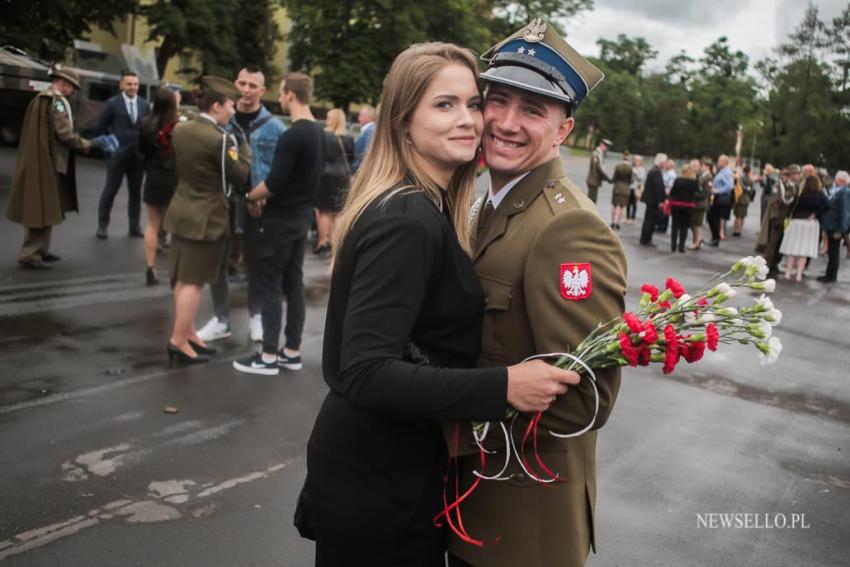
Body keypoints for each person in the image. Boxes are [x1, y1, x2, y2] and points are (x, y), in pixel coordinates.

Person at [299, 42, 580, 566]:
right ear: (403, 121)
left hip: (386, 465)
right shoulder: (406, 219)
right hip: (379, 477)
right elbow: (363, 371)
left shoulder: (416, 203)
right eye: (444, 105)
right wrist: (505, 387)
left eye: (473, 103)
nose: (470, 120)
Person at [447, 19, 627, 567]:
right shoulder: (488, 200)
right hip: (475, 504)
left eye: (532, 110)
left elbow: (583, 398)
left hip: (523, 526)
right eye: (496, 101)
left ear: (564, 130)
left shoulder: (567, 229)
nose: (505, 122)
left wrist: (444, 413)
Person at [232, 72, 326, 375]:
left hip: (280, 220)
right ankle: (291, 351)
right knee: (293, 284)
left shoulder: (293, 134)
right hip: (300, 219)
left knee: (270, 285)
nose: (280, 98)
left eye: (282, 93)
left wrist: (249, 195)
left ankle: (268, 355)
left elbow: (273, 182)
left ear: (289, 95)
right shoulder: (319, 133)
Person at [163, 76, 251, 364]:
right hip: (206, 216)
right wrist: (244, 149)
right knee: (193, 282)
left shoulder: (182, 129)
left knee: (183, 278)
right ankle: (178, 340)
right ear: (216, 106)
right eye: (230, 106)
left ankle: (187, 333)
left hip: (182, 211)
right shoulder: (221, 138)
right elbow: (239, 177)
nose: (233, 111)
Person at [197, 67, 286, 344]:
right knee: (217, 261)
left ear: (262, 90)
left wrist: (262, 196)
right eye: (242, 83)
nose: (246, 90)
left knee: (256, 262)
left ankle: (255, 316)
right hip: (223, 200)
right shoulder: (222, 119)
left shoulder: (274, 127)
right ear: (235, 85)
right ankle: (221, 319)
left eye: (252, 85)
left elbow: (279, 170)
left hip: (257, 204)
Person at [7, 66, 96, 269]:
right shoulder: (56, 103)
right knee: (41, 207)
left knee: (43, 207)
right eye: (72, 87)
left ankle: (40, 250)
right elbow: (64, 133)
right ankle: (31, 253)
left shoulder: (41, 98)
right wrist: (86, 144)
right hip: (48, 161)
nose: (73, 91)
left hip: (41, 158)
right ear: (63, 83)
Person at [94, 70, 149, 239]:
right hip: (117, 156)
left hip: (137, 157)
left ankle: (134, 227)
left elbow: (146, 128)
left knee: (135, 193)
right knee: (110, 190)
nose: (132, 87)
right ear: (121, 85)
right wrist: (110, 148)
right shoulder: (112, 104)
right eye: (129, 84)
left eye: (135, 84)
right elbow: (101, 128)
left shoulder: (144, 104)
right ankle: (102, 226)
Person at [139, 86, 181, 285]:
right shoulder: (178, 125)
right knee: (175, 227)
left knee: (152, 225)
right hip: (173, 177)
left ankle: (150, 268)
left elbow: (141, 150)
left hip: (153, 175)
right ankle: (174, 274)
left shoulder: (146, 123)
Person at [314, 108, 354, 255]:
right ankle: (337, 244)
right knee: (338, 213)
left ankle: (323, 242)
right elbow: (352, 160)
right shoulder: (349, 138)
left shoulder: (324, 136)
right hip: (343, 177)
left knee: (324, 211)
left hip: (326, 177)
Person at [780, 175, 829, 282]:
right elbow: (827, 205)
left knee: (792, 249)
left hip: (797, 221)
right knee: (804, 251)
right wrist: (816, 214)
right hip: (811, 224)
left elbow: (791, 204)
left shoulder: (800, 193)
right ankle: (799, 275)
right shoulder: (820, 194)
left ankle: (788, 273)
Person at [757, 164, 801, 277]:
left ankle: (775, 265)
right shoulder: (780, 186)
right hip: (777, 219)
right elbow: (774, 201)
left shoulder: (795, 186)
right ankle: (766, 269)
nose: (798, 176)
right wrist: (775, 218)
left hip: (786, 219)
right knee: (772, 245)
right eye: (796, 173)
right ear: (791, 175)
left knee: (780, 245)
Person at [818, 170, 850, 283]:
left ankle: (831, 276)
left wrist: (841, 230)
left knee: (834, 252)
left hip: (835, 227)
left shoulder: (844, 192)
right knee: (832, 252)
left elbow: (845, 212)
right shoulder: (838, 191)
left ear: (840, 180)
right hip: (831, 226)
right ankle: (829, 273)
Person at [669, 162, 698, 253]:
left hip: (676, 205)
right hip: (688, 206)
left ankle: (673, 246)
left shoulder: (678, 180)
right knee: (684, 227)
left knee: (675, 226)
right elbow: (696, 193)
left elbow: (672, 192)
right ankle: (681, 246)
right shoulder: (694, 182)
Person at [640, 153, 667, 247]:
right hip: (653, 201)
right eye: (665, 162)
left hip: (650, 200)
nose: (665, 164)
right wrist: (660, 201)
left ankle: (645, 238)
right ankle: (646, 239)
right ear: (661, 162)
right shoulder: (656, 172)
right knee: (650, 220)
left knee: (648, 219)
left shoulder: (653, 170)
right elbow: (658, 188)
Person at [706, 154, 733, 246]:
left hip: (721, 198)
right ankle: (715, 238)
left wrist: (717, 190)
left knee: (713, 217)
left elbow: (729, 186)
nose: (718, 162)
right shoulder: (721, 171)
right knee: (712, 217)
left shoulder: (726, 172)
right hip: (717, 197)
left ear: (725, 162)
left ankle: (715, 238)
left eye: (720, 161)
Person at [689, 159, 711, 250]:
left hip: (700, 204)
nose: (692, 168)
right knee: (692, 224)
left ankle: (696, 242)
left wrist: (693, 194)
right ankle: (697, 240)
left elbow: (706, 192)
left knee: (697, 224)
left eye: (693, 166)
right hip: (694, 204)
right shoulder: (695, 176)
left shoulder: (705, 177)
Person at [610, 151, 633, 229]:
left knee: (615, 206)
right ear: (628, 157)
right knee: (622, 207)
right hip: (626, 189)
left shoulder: (618, 166)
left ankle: (613, 222)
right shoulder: (630, 168)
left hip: (617, 188)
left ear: (622, 157)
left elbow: (614, 178)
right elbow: (631, 180)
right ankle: (618, 223)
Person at [732, 165, 756, 236]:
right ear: (749, 172)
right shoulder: (750, 181)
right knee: (742, 216)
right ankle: (739, 230)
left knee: (737, 216)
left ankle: (736, 230)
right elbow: (751, 191)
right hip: (746, 199)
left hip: (738, 198)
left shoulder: (740, 179)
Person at [585, 139, 611, 203]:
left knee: (593, 200)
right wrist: (607, 178)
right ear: (601, 145)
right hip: (593, 180)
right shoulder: (596, 154)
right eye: (606, 147)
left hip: (595, 181)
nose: (606, 149)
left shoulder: (600, 154)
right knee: (592, 201)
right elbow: (598, 168)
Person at [352, 105, 376, 171]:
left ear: (369, 117)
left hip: (361, 170)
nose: (359, 118)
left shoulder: (371, 130)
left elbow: (367, 152)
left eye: (361, 116)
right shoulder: (369, 129)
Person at [626, 154, 645, 224]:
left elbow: (641, 179)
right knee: (628, 203)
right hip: (630, 187)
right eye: (635, 160)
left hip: (636, 189)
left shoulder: (642, 169)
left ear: (640, 161)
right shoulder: (631, 167)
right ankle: (627, 218)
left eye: (637, 160)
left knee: (634, 204)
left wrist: (636, 173)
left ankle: (633, 218)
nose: (635, 161)